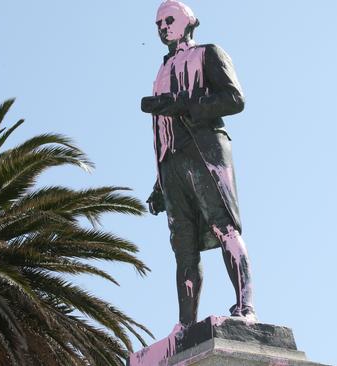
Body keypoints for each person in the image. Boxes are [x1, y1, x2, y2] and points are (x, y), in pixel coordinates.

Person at [141, 0, 256, 326]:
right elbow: (161, 130)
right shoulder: (161, 71)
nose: (163, 27)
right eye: (159, 24)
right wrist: (159, 182)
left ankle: (246, 308)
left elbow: (235, 99)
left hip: (206, 154)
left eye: (169, 20)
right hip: (172, 164)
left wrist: (181, 104)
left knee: (225, 228)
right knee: (183, 249)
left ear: (189, 21)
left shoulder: (208, 53)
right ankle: (186, 325)